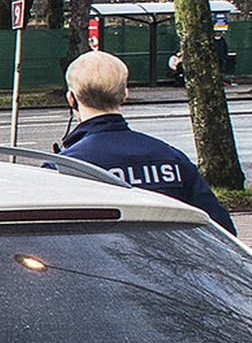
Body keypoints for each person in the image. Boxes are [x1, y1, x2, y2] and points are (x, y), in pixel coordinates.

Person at [55, 50, 236, 230]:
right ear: (124, 94)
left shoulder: (63, 168)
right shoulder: (172, 159)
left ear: (71, 99)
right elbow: (221, 229)